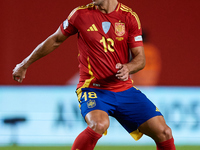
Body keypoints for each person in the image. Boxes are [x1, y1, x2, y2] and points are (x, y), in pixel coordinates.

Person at [12, 0, 176, 149]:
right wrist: (24, 64)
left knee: (164, 132)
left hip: (124, 90)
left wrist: (128, 67)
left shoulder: (128, 17)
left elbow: (140, 59)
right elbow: (55, 40)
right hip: (93, 89)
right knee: (98, 124)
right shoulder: (80, 14)